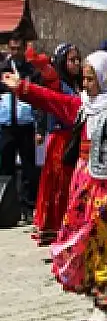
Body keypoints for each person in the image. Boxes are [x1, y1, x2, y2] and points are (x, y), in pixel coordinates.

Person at [2, 50, 107, 321]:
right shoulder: (85, 107)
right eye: (84, 79)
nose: (86, 85)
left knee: (106, 246)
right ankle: (95, 301)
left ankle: (106, 307)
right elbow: (54, 102)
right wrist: (24, 89)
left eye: (91, 79)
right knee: (80, 241)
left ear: (106, 78)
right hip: (83, 184)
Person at [29, 43, 81, 245]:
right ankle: (56, 229)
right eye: (71, 60)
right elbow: (50, 80)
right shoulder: (59, 84)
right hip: (60, 141)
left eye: (78, 59)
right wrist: (43, 66)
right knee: (59, 188)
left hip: (75, 141)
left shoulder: (79, 85)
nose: (76, 64)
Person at [0, 33, 47, 224]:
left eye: (19, 48)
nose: (16, 52)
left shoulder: (32, 71)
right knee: (5, 167)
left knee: (29, 169)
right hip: (5, 125)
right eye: (12, 48)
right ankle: (6, 207)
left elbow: (41, 102)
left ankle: (28, 207)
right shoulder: (2, 69)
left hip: (26, 125)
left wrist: (40, 129)